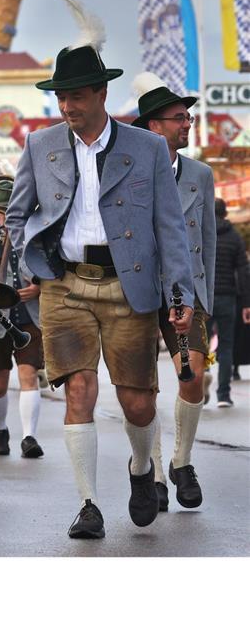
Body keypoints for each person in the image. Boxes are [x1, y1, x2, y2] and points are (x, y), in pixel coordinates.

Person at [5, 0, 194, 539]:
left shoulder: (147, 148)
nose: (68, 105)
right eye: (61, 96)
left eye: (78, 95)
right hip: (64, 285)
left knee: (138, 402)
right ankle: (88, 503)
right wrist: (32, 267)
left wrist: (179, 297)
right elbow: (17, 214)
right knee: (79, 390)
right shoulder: (41, 146)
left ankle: (141, 469)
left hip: (129, 285)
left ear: (102, 92)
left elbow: (170, 228)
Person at [131, 74, 215, 510]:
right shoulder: (130, 172)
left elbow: (211, 242)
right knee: (144, 389)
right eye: (179, 118)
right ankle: (157, 472)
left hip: (188, 290)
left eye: (189, 117)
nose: (188, 124)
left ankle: (183, 462)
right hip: (140, 289)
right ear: (153, 126)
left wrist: (207, 299)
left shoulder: (200, 173)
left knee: (193, 375)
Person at [0, 176, 46, 462]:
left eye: (8, 212)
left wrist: (40, 287)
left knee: (29, 372)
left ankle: (28, 436)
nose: (3, 218)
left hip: (29, 311)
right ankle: (0, 430)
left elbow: (49, 262)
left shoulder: (33, 229)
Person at [211, 199, 250, 408]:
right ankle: (223, 395)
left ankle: (202, 376)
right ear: (226, 214)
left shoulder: (202, 232)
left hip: (205, 298)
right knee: (226, 346)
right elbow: (243, 272)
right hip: (228, 298)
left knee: (201, 345)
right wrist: (246, 303)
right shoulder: (235, 237)